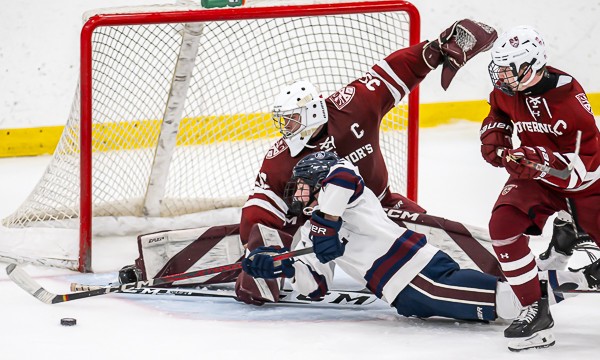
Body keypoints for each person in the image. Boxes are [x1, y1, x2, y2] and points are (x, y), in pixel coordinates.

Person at [235, 19, 499, 305]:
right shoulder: (281, 157)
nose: (287, 129)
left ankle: (504, 274)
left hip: (379, 207)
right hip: (318, 224)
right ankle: (272, 268)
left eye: (292, 120)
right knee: (272, 254)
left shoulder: (351, 106)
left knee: (433, 234)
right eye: (283, 122)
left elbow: (391, 73)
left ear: (312, 112)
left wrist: (433, 50)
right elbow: (261, 202)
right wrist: (259, 248)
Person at [240, 151, 600, 352]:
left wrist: (325, 222)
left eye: (303, 186)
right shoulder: (306, 231)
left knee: (511, 304)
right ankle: (560, 261)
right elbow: (314, 287)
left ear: (318, 180)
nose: (298, 195)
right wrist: (278, 269)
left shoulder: (346, 191)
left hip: (422, 278)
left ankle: (582, 278)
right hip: (409, 296)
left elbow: (344, 175)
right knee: (506, 297)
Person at [479, 25, 600, 350]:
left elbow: (579, 171)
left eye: (508, 68)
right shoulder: (508, 89)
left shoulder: (570, 103)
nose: (501, 75)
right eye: (499, 67)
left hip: (586, 183)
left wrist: (536, 159)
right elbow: (498, 110)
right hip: (533, 176)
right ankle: (534, 310)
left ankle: (571, 226)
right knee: (502, 227)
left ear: (532, 66)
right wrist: (496, 132)